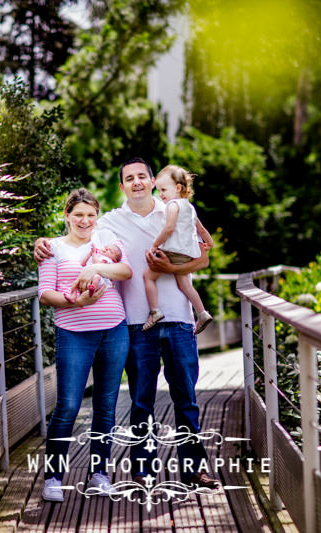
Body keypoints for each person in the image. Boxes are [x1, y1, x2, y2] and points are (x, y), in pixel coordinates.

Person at [35, 158, 220, 490]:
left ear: (152, 181)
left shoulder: (176, 211)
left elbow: (204, 258)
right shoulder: (110, 222)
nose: (136, 182)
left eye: (142, 176)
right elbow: (81, 233)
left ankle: (194, 469)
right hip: (136, 322)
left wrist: (169, 268)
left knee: (186, 399)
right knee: (140, 401)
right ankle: (143, 469)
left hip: (178, 317)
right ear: (122, 187)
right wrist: (42, 244)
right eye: (128, 178)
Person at [37, 188, 133, 503]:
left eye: (91, 215)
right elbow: (45, 294)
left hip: (114, 331)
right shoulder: (52, 248)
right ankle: (53, 477)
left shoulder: (105, 243)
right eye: (78, 214)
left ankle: (100, 474)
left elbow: (126, 272)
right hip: (73, 333)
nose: (85, 220)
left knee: (106, 406)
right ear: (67, 215)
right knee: (67, 406)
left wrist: (94, 268)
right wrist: (77, 301)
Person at [143, 164, 214, 334]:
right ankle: (202, 313)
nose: (160, 195)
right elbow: (201, 230)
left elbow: (168, 229)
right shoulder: (190, 207)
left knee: (148, 277)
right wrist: (209, 243)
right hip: (186, 255)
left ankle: (155, 311)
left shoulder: (172, 206)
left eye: (163, 190)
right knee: (184, 284)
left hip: (172, 252)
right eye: (159, 191)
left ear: (178, 188)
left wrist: (154, 245)